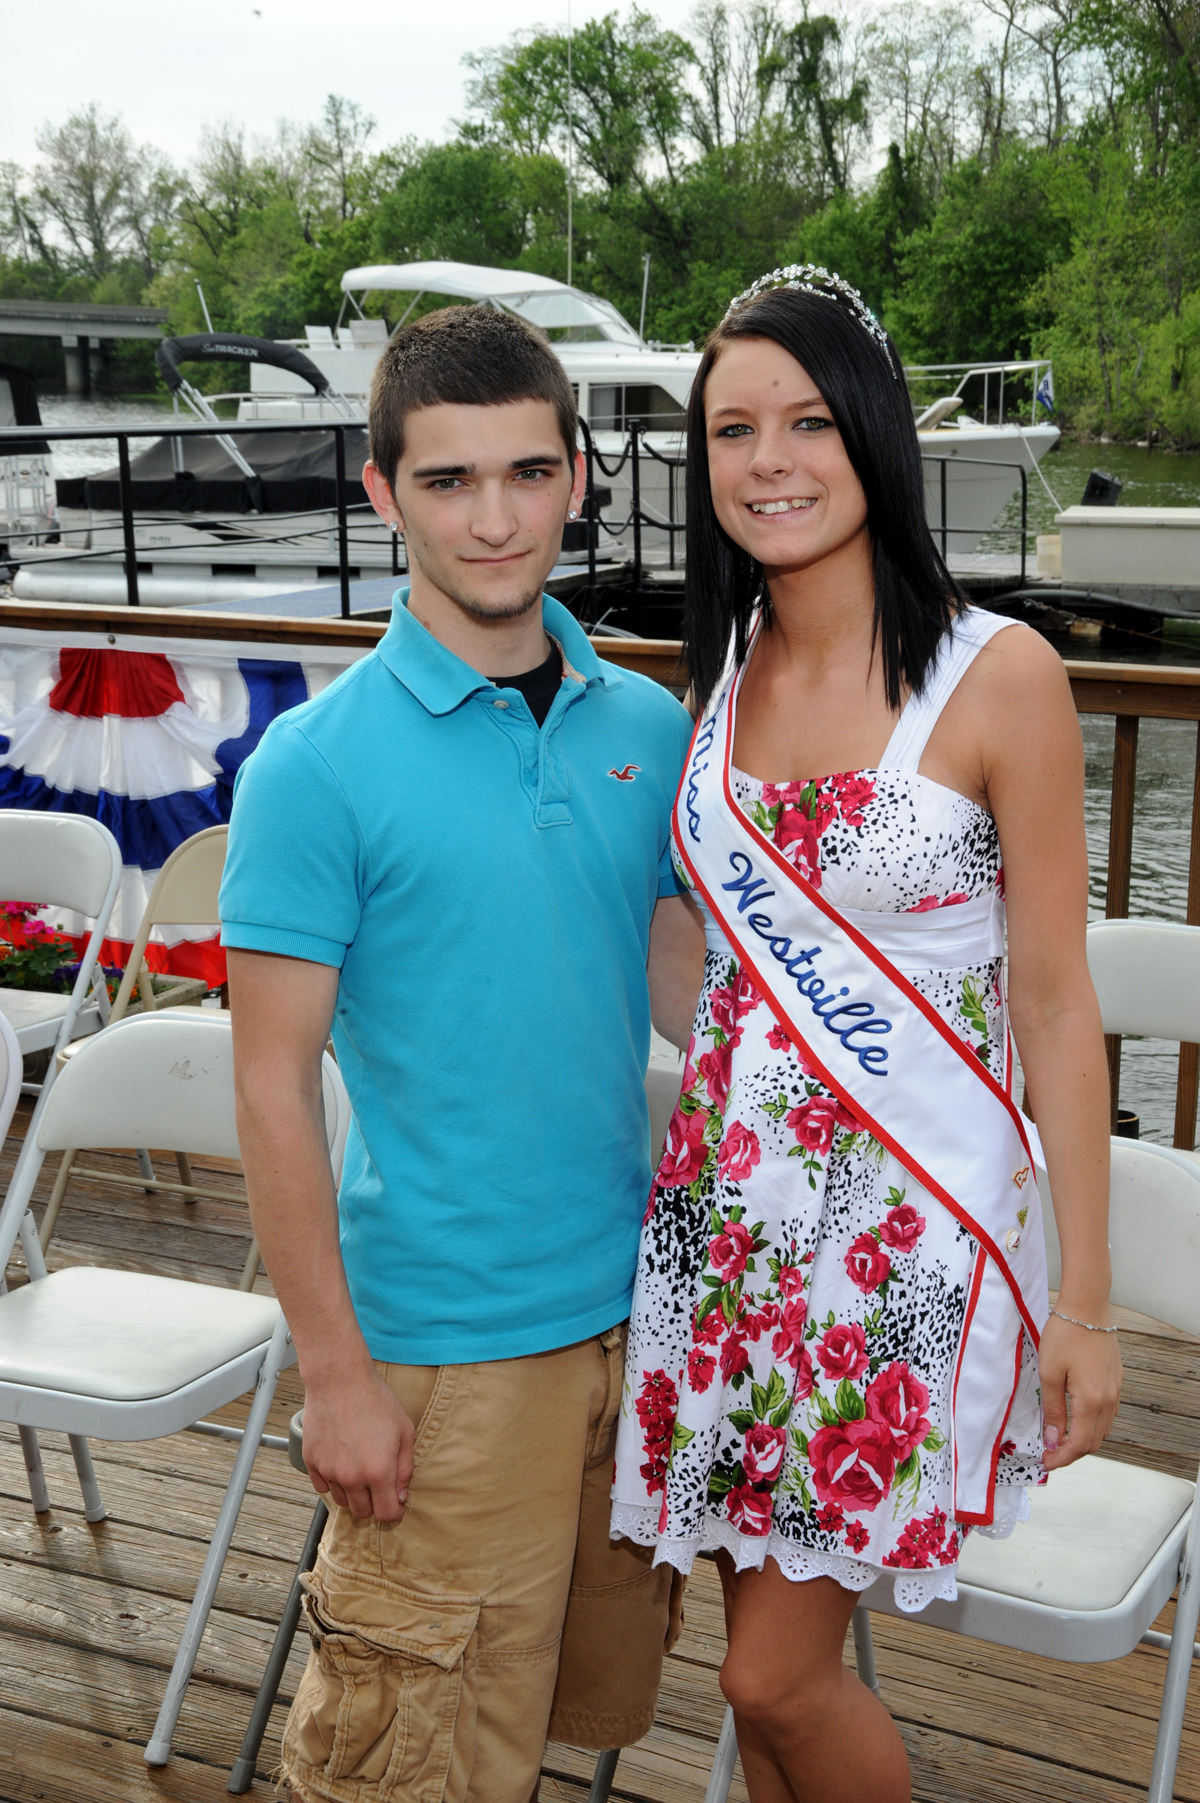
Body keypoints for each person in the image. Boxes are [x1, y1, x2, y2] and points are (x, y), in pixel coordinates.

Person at [610, 266, 1123, 1803]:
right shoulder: (721, 673)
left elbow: (1054, 1002)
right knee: (762, 1694)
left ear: (876, 434)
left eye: (809, 421)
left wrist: (1086, 1304)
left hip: (903, 1237)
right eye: (732, 431)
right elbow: (706, 961)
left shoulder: (1001, 674)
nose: (768, 460)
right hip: (726, 1232)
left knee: (777, 1671)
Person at [218, 303, 704, 1803]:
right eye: (446, 480)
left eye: (526, 473)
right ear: (383, 492)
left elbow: (700, 1001)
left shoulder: (649, 723)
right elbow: (271, 1086)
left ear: (576, 475)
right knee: (415, 1765)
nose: (494, 520)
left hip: (630, 1325)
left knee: (574, 1715)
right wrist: (335, 1372)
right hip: (441, 1354)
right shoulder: (316, 766)